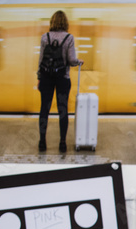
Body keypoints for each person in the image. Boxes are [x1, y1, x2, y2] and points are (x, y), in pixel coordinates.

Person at [36, 10, 82, 153]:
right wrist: (79, 62)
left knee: (44, 109)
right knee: (63, 110)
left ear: (52, 22)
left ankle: (42, 142)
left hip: (46, 78)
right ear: (65, 23)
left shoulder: (45, 37)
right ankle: (62, 143)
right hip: (63, 78)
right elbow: (71, 60)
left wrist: (39, 77)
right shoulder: (69, 38)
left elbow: (41, 59)